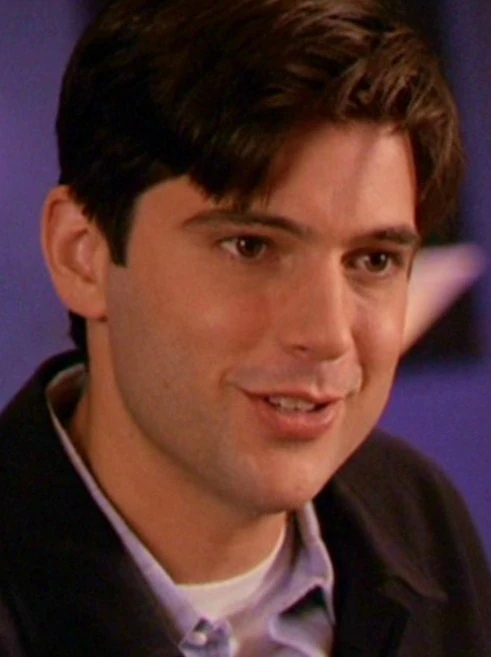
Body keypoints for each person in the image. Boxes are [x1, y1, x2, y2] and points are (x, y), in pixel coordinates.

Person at [0, 0, 490, 654]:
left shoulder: (417, 518)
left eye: (373, 260)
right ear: (80, 254)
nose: (327, 334)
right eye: (250, 247)